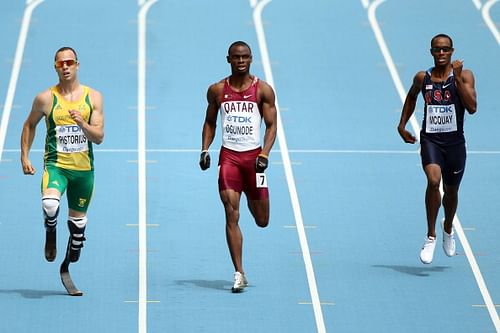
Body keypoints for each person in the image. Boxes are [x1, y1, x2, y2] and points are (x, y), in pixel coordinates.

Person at [199, 41, 277, 292]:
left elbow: (272, 125)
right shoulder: (217, 90)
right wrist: (204, 149)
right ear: (228, 59)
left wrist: (265, 153)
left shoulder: (263, 90)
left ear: (251, 59)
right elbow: (210, 122)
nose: (240, 61)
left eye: (244, 57)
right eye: (236, 57)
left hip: (254, 161)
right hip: (229, 159)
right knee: (231, 213)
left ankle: (254, 200)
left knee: (262, 220)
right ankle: (239, 272)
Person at [21, 47, 104, 276]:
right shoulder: (45, 99)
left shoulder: (93, 97)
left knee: (77, 226)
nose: (65, 67)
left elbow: (98, 137)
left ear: (77, 64)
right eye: (60, 64)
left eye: (69, 62)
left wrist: (82, 124)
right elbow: (29, 125)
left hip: (83, 171)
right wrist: (24, 156)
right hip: (56, 166)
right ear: (55, 67)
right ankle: (50, 229)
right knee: (50, 205)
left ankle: (77, 241)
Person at [397, 34, 477, 264]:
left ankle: (448, 228)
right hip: (431, 141)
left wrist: (459, 79)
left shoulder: (465, 75)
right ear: (431, 52)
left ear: (452, 51)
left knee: (451, 193)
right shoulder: (423, 78)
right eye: (437, 50)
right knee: (433, 181)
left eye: (445, 50)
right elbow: (411, 97)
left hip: (454, 144)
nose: (441, 54)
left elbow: (471, 107)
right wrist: (402, 125)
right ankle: (431, 235)